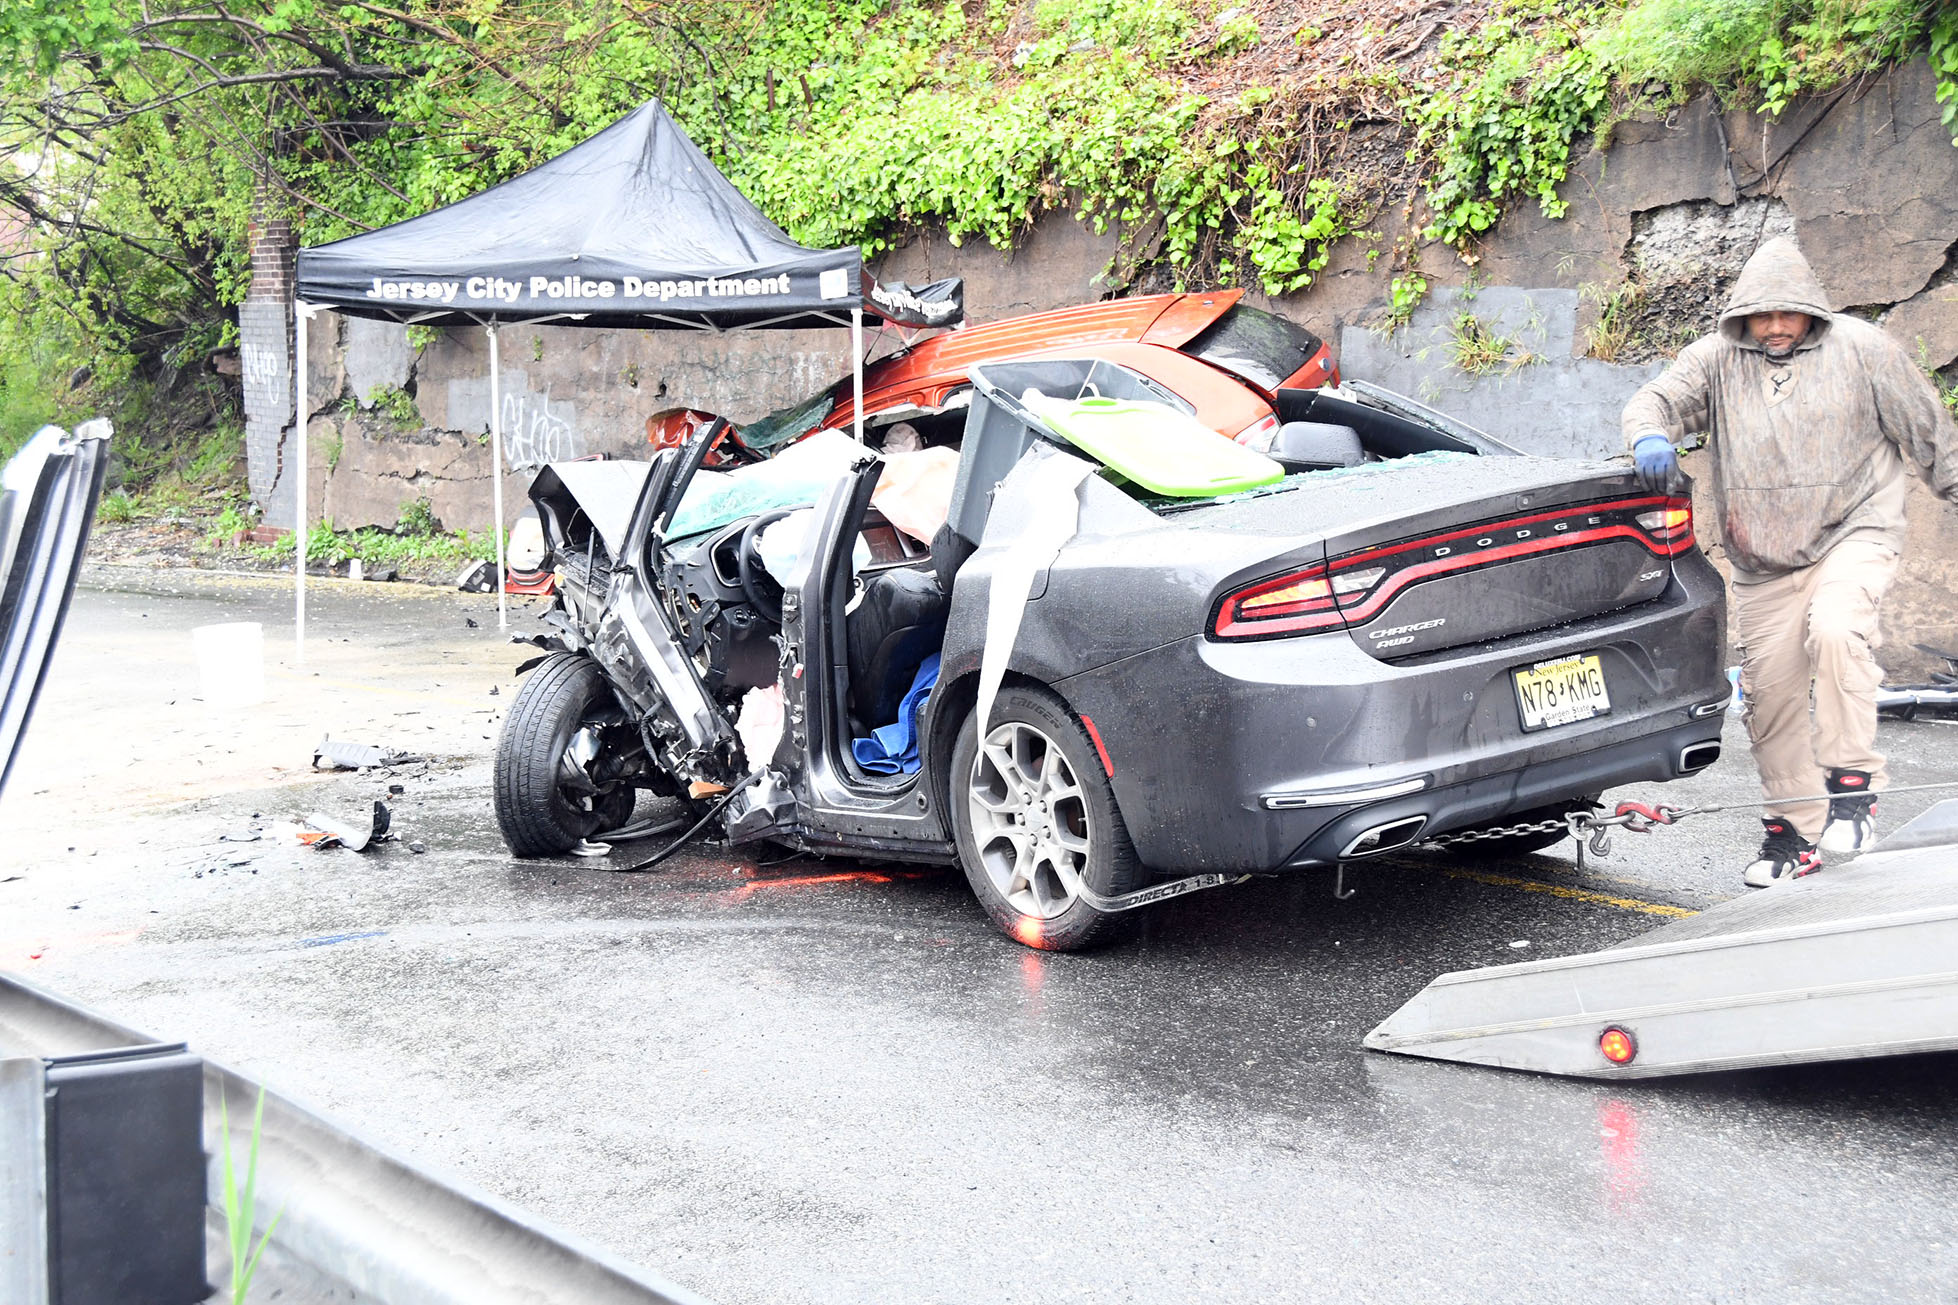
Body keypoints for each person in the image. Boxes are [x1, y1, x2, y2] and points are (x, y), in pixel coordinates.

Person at [1622, 237, 1958, 888]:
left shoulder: (1865, 351)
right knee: (1769, 697)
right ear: (1743, 315)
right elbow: (1652, 401)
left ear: (1811, 310)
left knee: (1835, 629)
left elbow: (1929, 434)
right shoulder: (1717, 361)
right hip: (1763, 558)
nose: (1776, 326)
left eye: (1788, 314)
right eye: (1763, 315)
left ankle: (1853, 783)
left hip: (1854, 529)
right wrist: (1650, 435)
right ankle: (1791, 835)